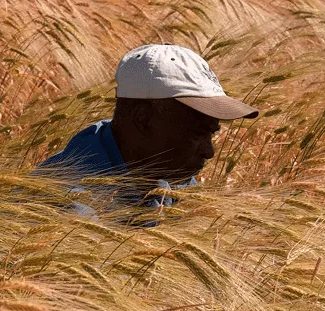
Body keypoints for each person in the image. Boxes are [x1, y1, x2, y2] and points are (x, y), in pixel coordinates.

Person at [35, 44, 259, 225]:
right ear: (142, 119)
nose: (208, 152)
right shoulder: (67, 207)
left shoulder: (168, 171)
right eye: (196, 134)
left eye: (211, 134)